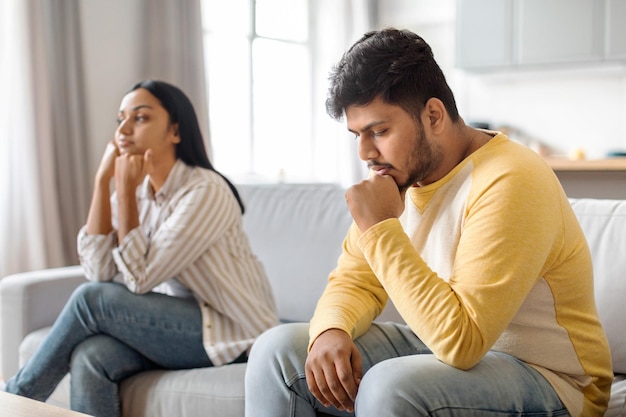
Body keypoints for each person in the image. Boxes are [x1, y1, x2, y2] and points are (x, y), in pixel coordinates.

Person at [244, 28, 612, 417]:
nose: (366, 153)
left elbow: (462, 341)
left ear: (433, 115)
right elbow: (355, 281)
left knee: (390, 388)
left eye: (380, 131)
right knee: (278, 353)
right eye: (357, 135)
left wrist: (380, 227)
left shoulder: (510, 178)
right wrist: (330, 329)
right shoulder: (398, 178)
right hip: (444, 355)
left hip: (552, 381)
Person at [4, 80, 278, 416]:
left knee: (92, 300)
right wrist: (102, 183)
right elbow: (99, 271)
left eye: (141, 118)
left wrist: (122, 185)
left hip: (233, 329)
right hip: (175, 320)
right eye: (121, 119)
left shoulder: (206, 191)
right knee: (91, 357)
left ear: (175, 132)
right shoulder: (137, 190)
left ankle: (16, 397)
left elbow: (137, 279)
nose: (124, 128)